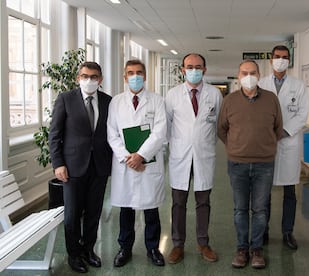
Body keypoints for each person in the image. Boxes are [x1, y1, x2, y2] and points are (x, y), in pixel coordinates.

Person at [217, 59, 283, 269]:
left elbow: (278, 128)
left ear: (259, 74)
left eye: (252, 72)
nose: (248, 76)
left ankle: (256, 250)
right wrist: (235, 147)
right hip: (237, 164)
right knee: (240, 209)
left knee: (261, 210)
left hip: (264, 164)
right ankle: (242, 249)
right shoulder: (230, 101)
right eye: (244, 73)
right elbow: (222, 129)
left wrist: (265, 147)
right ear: (238, 77)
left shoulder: (271, 99)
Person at [49, 61, 112, 273]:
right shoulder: (66, 99)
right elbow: (54, 134)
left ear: (100, 80)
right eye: (85, 76)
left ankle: (88, 250)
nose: (89, 80)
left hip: (99, 167)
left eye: (94, 77)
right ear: (78, 78)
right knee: (72, 215)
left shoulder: (107, 101)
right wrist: (58, 163)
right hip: (72, 167)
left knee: (94, 213)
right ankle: (73, 255)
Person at [107, 59, 167, 267]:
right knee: (126, 209)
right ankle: (125, 248)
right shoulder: (116, 102)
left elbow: (160, 132)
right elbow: (112, 134)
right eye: (130, 73)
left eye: (139, 72)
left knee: (151, 209)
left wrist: (140, 155)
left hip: (147, 163)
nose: (135, 76)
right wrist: (128, 157)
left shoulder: (157, 100)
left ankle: (153, 248)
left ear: (145, 76)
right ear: (125, 77)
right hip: (126, 164)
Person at [165, 53, 222, 264]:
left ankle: (203, 243)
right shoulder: (172, 95)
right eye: (190, 67)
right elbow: (168, 126)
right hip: (180, 155)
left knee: (203, 201)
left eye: (198, 67)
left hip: (204, 155)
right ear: (182, 70)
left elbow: (218, 126)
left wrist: (202, 143)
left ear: (205, 70)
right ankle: (177, 245)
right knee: (178, 202)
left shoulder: (215, 94)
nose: (194, 70)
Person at [258, 45, 309, 249]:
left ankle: (288, 232)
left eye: (285, 57)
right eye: (277, 57)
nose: (281, 60)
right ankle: (264, 231)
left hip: (288, 142)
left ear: (289, 61)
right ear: (271, 60)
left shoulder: (299, 86)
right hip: (266, 144)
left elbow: (302, 114)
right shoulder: (261, 84)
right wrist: (268, 133)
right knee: (264, 192)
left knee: (290, 192)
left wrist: (284, 131)